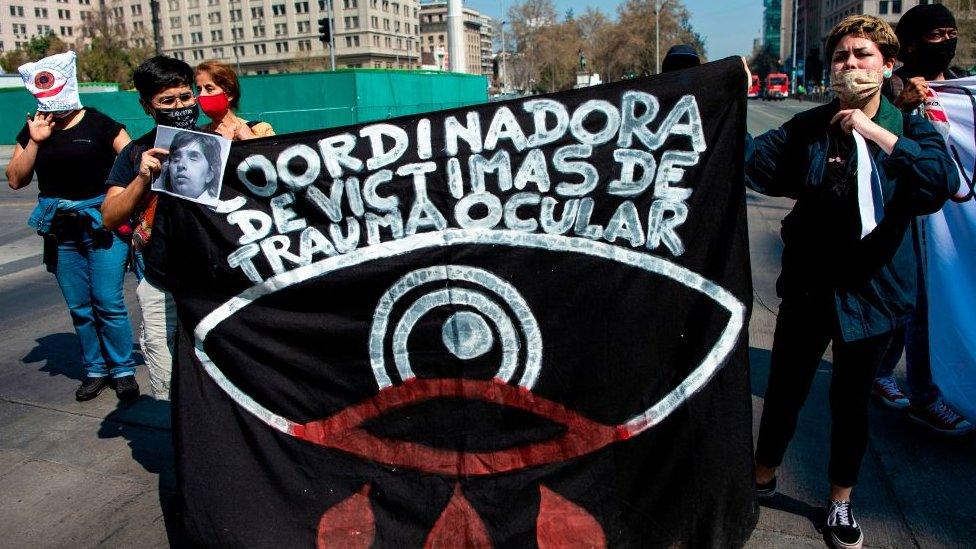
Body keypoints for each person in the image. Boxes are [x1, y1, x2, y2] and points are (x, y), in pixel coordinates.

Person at [745, 16, 958, 549]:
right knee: (786, 392)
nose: (850, 64)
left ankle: (840, 503)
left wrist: (875, 133)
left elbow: (938, 181)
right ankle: (760, 480)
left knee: (851, 403)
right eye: (842, 56)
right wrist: (723, 96)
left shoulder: (910, 126)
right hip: (810, 288)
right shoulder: (809, 126)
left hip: (874, 294)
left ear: (887, 66)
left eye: (863, 55)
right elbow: (754, 163)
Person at [5, 59, 139, 402]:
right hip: (61, 231)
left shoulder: (100, 124)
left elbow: (135, 163)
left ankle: (122, 371)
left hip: (102, 225)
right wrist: (35, 141)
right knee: (80, 306)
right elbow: (16, 179)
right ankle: (95, 370)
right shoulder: (34, 128)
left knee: (107, 301)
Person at [872, 3, 973, 435]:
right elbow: (873, 137)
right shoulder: (892, 85)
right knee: (913, 301)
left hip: (956, 214)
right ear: (911, 44)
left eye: (952, 32)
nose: (947, 41)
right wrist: (902, 105)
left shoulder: (962, 85)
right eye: (936, 34)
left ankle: (884, 372)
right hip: (912, 211)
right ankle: (924, 395)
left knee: (930, 300)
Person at [102, 55, 202, 400]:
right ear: (147, 106)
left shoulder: (221, 143)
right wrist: (143, 178)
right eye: (167, 101)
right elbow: (110, 216)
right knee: (169, 388)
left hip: (215, 286)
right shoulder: (135, 153)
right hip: (162, 286)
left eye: (186, 97)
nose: (180, 106)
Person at [194, 60, 275, 141]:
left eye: (209, 89)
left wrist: (250, 139)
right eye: (199, 89)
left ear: (229, 94)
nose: (201, 95)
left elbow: (274, 152)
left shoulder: (260, 129)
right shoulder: (199, 136)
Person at [161, 130, 222, 203]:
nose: (181, 165)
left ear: (209, 174)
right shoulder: (158, 201)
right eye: (176, 159)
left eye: (193, 159)